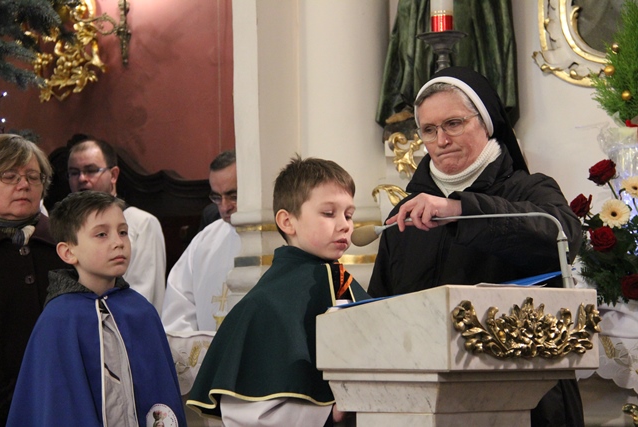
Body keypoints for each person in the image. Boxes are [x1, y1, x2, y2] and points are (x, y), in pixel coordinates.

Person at [368, 67, 584, 427]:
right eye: (429, 129)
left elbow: (563, 236)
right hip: (424, 397)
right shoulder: (406, 214)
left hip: (527, 394)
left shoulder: (530, 189)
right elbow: (380, 307)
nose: (441, 139)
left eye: (453, 123)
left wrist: (459, 210)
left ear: (486, 123)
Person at [187, 156, 370, 427]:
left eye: (349, 215)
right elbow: (247, 413)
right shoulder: (266, 303)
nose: (345, 225)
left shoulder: (342, 282)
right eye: (329, 213)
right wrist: (326, 413)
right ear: (287, 221)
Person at [6, 191, 186, 427]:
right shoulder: (58, 320)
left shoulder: (141, 312)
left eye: (123, 232)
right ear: (68, 252)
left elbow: (161, 393)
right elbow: (54, 407)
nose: (118, 242)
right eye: (101, 234)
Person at [0, 134, 68, 426]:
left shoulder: (69, 243)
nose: (23, 184)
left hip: (62, 398)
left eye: (32, 176)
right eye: (9, 176)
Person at [67, 135, 167, 313]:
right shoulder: (67, 225)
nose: (82, 178)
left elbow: (143, 294)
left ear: (113, 175)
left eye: (91, 170)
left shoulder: (142, 223)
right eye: (74, 173)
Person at [161, 150, 241, 331]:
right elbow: (177, 312)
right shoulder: (204, 241)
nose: (224, 207)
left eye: (233, 196)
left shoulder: (276, 237)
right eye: (217, 197)